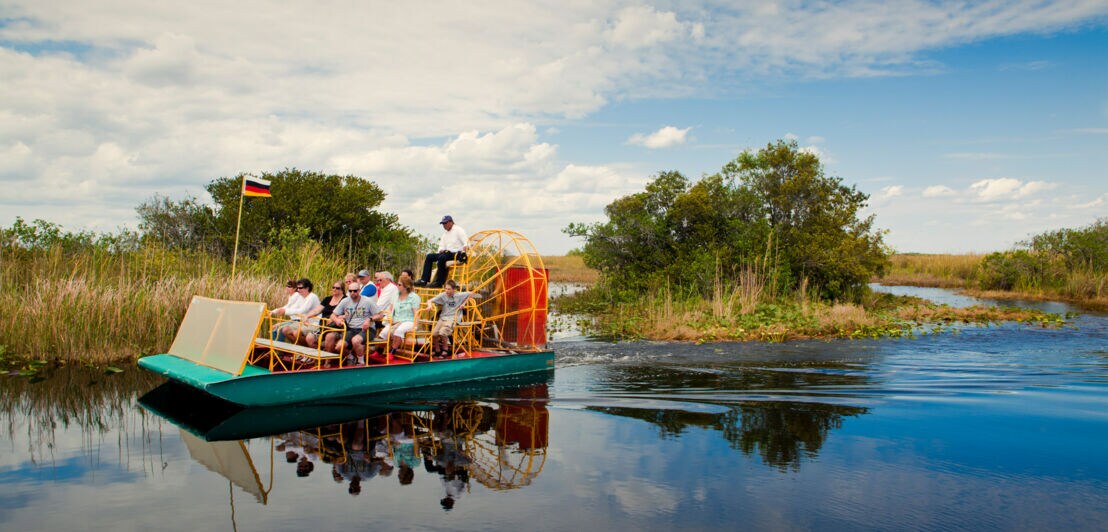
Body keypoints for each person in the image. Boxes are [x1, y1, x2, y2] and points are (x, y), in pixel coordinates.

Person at [424, 279, 482, 358]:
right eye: (446, 289)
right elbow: (430, 300)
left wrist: (464, 303)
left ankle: (445, 349)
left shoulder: (459, 295)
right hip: (443, 317)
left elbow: (472, 293)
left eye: (449, 289)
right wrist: (430, 305)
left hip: (452, 318)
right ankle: (437, 350)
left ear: (454, 289)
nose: (446, 291)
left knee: (442, 332)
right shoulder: (443, 295)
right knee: (434, 334)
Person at [330, 282, 383, 365]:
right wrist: (337, 320)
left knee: (355, 340)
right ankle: (351, 357)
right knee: (339, 346)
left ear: (359, 290)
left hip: (367, 329)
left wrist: (369, 319)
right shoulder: (345, 301)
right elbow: (333, 315)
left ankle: (361, 361)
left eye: (354, 291)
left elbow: (380, 315)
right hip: (352, 329)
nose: (352, 293)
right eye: (350, 291)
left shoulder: (367, 301)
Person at [415, 215, 469, 288]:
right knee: (429, 256)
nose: (444, 225)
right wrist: (441, 250)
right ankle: (424, 280)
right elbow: (441, 245)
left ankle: (439, 282)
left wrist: (465, 248)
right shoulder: (445, 234)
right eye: (443, 224)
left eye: (445, 223)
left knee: (442, 258)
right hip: (446, 254)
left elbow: (465, 241)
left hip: (456, 254)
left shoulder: (458, 230)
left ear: (451, 222)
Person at [304, 280, 346, 349]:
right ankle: (318, 355)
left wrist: (334, 319)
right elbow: (317, 310)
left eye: (337, 288)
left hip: (337, 328)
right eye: (333, 287)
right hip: (323, 326)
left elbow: (348, 314)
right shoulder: (327, 299)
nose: (334, 289)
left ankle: (328, 359)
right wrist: (307, 316)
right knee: (309, 337)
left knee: (329, 336)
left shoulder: (345, 300)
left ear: (342, 290)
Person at [389, 278, 421, 355]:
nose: (397, 286)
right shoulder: (395, 296)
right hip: (397, 320)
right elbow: (390, 309)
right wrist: (390, 319)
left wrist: (415, 325)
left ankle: (392, 352)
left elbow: (416, 312)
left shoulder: (414, 297)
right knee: (384, 332)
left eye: (399, 285)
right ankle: (379, 351)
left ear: (406, 287)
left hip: (409, 320)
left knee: (399, 331)